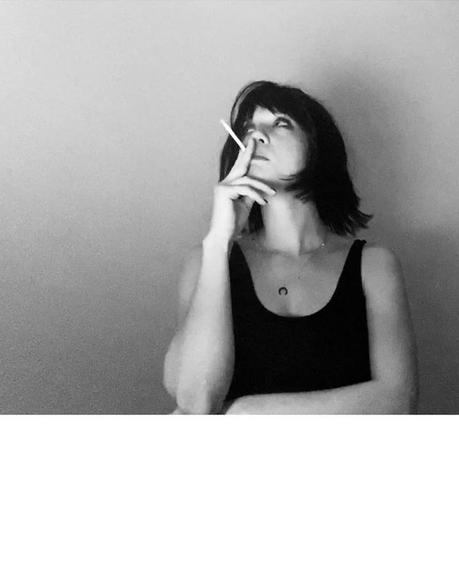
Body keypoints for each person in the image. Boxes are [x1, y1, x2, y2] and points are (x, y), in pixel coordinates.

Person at [163, 80, 418, 414]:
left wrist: (247, 414)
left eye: (280, 123)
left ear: (317, 146)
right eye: (248, 128)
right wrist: (219, 241)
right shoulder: (206, 260)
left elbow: (398, 402)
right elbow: (196, 401)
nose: (256, 135)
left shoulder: (374, 266)